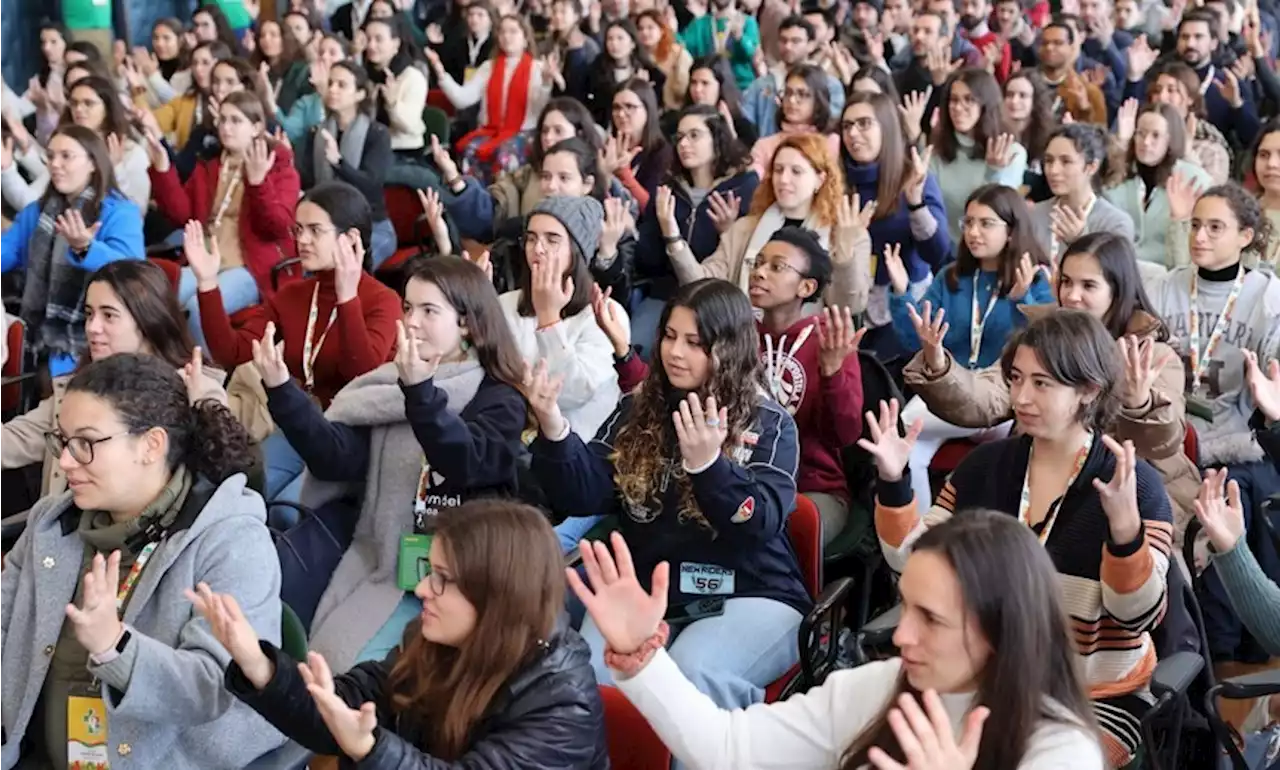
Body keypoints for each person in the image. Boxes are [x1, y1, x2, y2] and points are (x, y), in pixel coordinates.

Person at [866, 311, 1174, 767]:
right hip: (982, 677)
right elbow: (910, 563)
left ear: (1089, 390)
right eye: (1016, 378)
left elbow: (1138, 617)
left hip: (1096, 695)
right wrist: (894, 483)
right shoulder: (984, 467)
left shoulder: (1134, 485)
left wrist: (1125, 534)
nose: (1022, 397)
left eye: (1042, 384)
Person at [571, 510, 1104, 769]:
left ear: (1003, 630)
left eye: (932, 619)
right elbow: (731, 748)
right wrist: (644, 659)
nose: (903, 636)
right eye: (906, 607)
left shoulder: (1062, 751)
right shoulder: (884, 686)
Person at [529, 278, 809, 713]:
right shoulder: (641, 409)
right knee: (598, 676)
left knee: (690, 674)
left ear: (729, 348)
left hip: (751, 592)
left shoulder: (769, 423)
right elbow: (586, 494)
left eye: (695, 343)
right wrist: (553, 428)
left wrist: (709, 467)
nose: (676, 352)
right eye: (670, 337)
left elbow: (760, 523)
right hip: (649, 587)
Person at [0, 353, 283, 769]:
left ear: (151, 445)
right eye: (62, 440)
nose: (64, 462)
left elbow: (214, 687)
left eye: (86, 443)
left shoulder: (230, 539)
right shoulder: (51, 522)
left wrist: (116, 646)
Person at [251, 255, 528, 668]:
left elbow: (465, 463)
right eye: (408, 307)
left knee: (343, 666)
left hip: (455, 574)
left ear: (467, 323)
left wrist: (420, 393)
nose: (412, 322)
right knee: (289, 642)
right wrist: (282, 392)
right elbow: (336, 461)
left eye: (429, 311)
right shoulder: (387, 386)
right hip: (376, 551)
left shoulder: (498, 396)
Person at [200, 499, 609, 768]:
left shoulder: (562, 702)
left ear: (497, 597)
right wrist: (261, 668)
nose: (421, 589)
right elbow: (350, 708)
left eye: (443, 579)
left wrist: (368, 749)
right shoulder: (435, 639)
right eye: (430, 571)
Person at [902, 232, 1199, 541]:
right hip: (1041, 477)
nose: (1071, 296)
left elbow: (1164, 443)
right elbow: (987, 399)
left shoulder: (1152, 354)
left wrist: (1139, 404)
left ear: (1118, 292)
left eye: (1088, 286)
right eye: (1066, 282)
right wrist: (938, 366)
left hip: (1129, 492)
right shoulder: (1040, 341)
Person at [607, 227, 865, 546]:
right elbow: (662, 389)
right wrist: (624, 354)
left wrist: (832, 373)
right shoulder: (729, 334)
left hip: (811, 484)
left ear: (807, 286)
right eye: (757, 263)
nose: (759, 273)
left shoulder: (829, 341)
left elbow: (843, 434)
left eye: (776, 266)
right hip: (735, 470)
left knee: (776, 537)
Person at [186, 181, 399, 505]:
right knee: (243, 494)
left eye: (315, 230)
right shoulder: (294, 295)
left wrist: (346, 295)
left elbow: (362, 373)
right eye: (298, 229)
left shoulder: (382, 300)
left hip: (353, 438)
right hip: (302, 426)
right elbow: (232, 351)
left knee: (289, 510)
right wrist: (207, 283)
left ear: (351, 239)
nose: (301, 240)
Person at [1147, 183, 1280, 662]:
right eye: (1196, 225)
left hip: (1236, 439)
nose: (1200, 236)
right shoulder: (1166, 285)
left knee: (1237, 492)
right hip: (1167, 434)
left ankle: (1222, 648)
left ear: (1246, 235)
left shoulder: (1266, 295)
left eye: (1215, 227)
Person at [0, 261, 226, 502]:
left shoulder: (195, 389)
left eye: (109, 315)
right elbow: (15, 440)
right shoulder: (81, 388)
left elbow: (218, 476)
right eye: (89, 314)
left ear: (147, 320)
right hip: (70, 530)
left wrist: (200, 405)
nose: (92, 327)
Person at [890, 184, 1054, 512]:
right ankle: (919, 539)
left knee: (907, 427)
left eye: (986, 223)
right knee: (905, 446)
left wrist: (1025, 300)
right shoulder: (951, 277)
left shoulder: (1034, 279)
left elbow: (1050, 344)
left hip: (1003, 403)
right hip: (951, 394)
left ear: (1011, 231)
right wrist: (902, 292)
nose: (974, 232)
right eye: (969, 223)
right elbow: (913, 340)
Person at [148, 90, 299, 347]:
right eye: (223, 120)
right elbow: (182, 215)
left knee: (199, 307)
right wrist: (163, 169)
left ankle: (211, 377)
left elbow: (276, 227)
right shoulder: (211, 165)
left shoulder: (279, 166)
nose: (226, 127)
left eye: (236, 121)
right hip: (206, 260)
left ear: (257, 127)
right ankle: (172, 366)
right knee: (153, 296)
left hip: (249, 267)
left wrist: (258, 183)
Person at [663, 133, 872, 316]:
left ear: (820, 179)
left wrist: (844, 254)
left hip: (813, 347)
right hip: (748, 342)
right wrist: (673, 236)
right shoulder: (744, 229)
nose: (783, 179)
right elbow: (702, 285)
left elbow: (850, 306)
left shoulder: (848, 234)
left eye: (796, 171)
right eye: (779, 170)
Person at [0, 124, 143, 378]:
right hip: (40, 335)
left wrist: (86, 248)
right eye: (51, 156)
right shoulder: (39, 211)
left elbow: (134, 273)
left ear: (93, 163)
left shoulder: (120, 211)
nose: (55, 164)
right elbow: (6, 251)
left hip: (93, 340)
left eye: (66, 156)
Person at [634, 105, 759, 355]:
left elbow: (744, 259)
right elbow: (646, 260)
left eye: (694, 135)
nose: (684, 144)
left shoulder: (745, 186)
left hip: (717, 300)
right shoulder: (667, 187)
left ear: (717, 138)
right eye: (679, 137)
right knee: (637, 346)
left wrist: (728, 232)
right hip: (666, 294)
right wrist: (657, 226)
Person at [501, 196, 625, 441]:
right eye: (531, 238)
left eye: (552, 239)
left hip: (577, 447)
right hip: (509, 439)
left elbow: (571, 393)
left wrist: (548, 319)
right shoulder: (505, 304)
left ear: (576, 251)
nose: (538, 248)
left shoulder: (605, 313)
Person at [839, 93, 950, 361]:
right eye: (847, 126)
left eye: (865, 124)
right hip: (849, 305)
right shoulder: (838, 180)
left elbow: (938, 253)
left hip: (905, 306)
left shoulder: (912, 175)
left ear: (887, 128)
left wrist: (916, 205)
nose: (853, 133)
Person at [441, 98, 636, 238]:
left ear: (580, 133)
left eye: (558, 131)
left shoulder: (602, 180)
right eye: (544, 130)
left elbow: (624, 237)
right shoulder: (525, 175)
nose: (548, 138)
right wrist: (455, 180)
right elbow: (488, 220)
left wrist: (607, 178)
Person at [295, 60, 397, 268]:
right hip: (325, 225)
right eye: (331, 83)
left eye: (342, 85)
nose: (332, 89)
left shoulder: (376, 134)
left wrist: (339, 163)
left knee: (345, 262)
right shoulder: (317, 132)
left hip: (372, 226)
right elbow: (305, 180)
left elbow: (372, 184)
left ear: (360, 94)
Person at [427, 15, 552, 184]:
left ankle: (503, 205)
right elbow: (463, 99)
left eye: (513, 31)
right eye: (503, 32)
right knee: (469, 150)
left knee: (504, 155)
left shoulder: (538, 69)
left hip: (523, 133)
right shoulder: (488, 67)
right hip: (490, 130)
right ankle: (474, 201)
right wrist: (441, 73)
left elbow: (541, 106)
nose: (507, 36)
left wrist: (545, 82)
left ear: (525, 38)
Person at [1106, 100, 1214, 276]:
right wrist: (1120, 146)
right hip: (1117, 274)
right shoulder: (1119, 173)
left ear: (1172, 139)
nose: (1146, 142)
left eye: (1156, 135)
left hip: (1168, 277)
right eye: (1141, 133)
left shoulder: (1193, 180)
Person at [930, 69, 1028, 253]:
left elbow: (998, 214)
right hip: (946, 253)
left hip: (994, 255)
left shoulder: (1012, 152)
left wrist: (994, 172)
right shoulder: (937, 151)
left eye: (969, 99)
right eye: (954, 100)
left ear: (986, 105)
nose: (958, 107)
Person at [1029, 124, 1135, 262]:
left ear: (1092, 167)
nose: (1053, 170)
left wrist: (1079, 240)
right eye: (1049, 161)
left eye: (1066, 161)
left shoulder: (1115, 223)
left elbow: (1114, 276)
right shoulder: (1034, 215)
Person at [741, 16, 845, 141]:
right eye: (783, 40)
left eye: (796, 41)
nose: (788, 47)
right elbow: (745, 125)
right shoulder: (761, 85)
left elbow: (832, 124)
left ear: (811, 45)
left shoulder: (829, 84)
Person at [748, 63, 841, 178]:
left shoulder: (830, 143)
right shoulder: (764, 146)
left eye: (802, 94)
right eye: (788, 93)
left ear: (818, 100)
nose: (792, 100)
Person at [361, 16, 429, 162]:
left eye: (378, 39)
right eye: (368, 39)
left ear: (395, 44)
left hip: (402, 151)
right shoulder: (367, 76)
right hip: (372, 146)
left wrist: (392, 104)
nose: (371, 46)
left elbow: (410, 126)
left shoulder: (412, 77)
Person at [604, 78, 673, 211]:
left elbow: (651, 209)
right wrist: (604, 173)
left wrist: (624, 174)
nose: (621, 114)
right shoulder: (607, 147)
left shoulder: (662, 152)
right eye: (616, 108)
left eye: (630, 107)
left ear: (648, 110)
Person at [584, 19, 667, 127]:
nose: (614, 43)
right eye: (610, 39)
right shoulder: (597, 69)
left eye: (620, 38)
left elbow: (657, 103)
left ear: (632, 43)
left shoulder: (648, 70)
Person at [680, 0, 762, 91]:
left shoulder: (747, 22)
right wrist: (671, 29)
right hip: (708, 89)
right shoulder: (699, 24)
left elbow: (751, 53)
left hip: (742, 88)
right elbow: (682, 47)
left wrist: (740, 37)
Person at [1002, 69, 1055, 200]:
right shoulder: (992, 135)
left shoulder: (1049, 140)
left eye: (1022, 95)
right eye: (1009, 95)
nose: (1014, 101)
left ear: (1035, 101)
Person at [682, 56, 758, 145]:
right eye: (693, 83)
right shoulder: (679, 121)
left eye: (705, 83)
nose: (698, 89)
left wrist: (730, 133)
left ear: (721, 86)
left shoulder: (741, 126)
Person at [250, 19, 312, 114]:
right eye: (262, 35)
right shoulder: (256, 68)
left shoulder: (300, 70)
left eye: (273, 35)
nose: (266, 39)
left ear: (285, 38)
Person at [636, 9, 693, 111]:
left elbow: (685, 89)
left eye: (650, 28)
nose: (644, 32)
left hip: (676, 110)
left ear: (661, 30)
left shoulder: (679, 54)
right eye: (640, 29)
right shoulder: (635, 57)